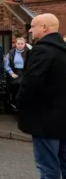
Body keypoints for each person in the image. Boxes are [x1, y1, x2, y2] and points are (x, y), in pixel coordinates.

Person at [17, 13, 66, 179]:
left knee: (48, 168)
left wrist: (21, 106)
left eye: (32, 26)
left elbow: (30, 85)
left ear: (44, 27)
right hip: (63, 119)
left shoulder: (41, 51)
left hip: (45, 121)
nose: (30, 30)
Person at [4, 37, 29, 114]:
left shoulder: (29, 52)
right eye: (18, 43)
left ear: (25, 44)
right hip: (14, 74)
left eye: (22, 44)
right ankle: (16, 110)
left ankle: (25, 110)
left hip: (26, 73)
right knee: (15, 93)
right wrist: (11, 73)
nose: (20, 45)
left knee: (25, 93)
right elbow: (6, 65)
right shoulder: (11, 53)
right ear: (15, 44)